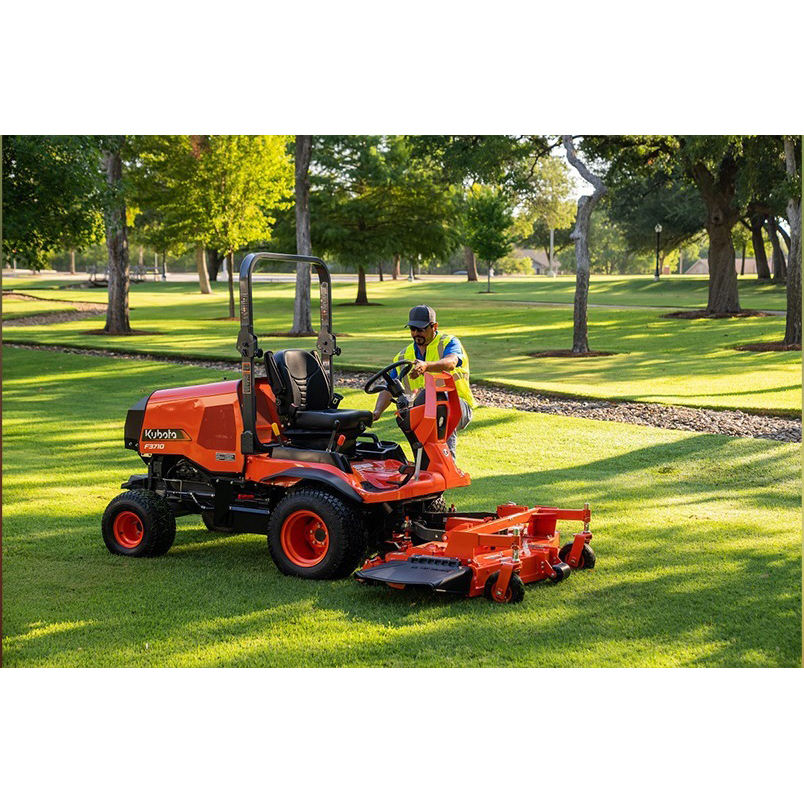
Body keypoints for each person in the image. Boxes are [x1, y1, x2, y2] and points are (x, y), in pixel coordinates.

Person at [372, 304, 476, 460]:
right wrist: (377, 412)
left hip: (458, 406)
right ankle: (422, 465)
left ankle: (447, 464)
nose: (416, 333)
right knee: (406, 414)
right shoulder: (403, 356)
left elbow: (451, 362)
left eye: (421, 329)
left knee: (438, 406)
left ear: (434, 327)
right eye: (412, 329)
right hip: (424, 410)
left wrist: (427, 366)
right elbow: (390, 386)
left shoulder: (448, 343)